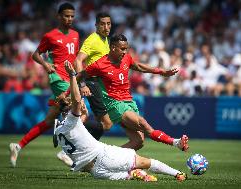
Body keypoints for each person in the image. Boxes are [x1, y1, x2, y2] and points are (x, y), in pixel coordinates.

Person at [56, 60, 187, 181]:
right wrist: (72, 76)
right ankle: (177, 166)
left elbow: (79, 118)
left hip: (96, 171)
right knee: (143, 158)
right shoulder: (72, 120)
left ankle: (136, 172)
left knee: (138, 143)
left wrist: (79, 108)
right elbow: (78, 100)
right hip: (104, 153)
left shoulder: (60, 129)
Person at [83, 34, 189, 151]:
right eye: (122, 49)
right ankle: (175, 142)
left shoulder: (126, 58)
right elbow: (80, 75)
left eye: (126, 48)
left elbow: (138, 66)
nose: (125, 51)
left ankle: (104, 158)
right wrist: (81, 87)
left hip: (129, 102)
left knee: (138, 142)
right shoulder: (100, 64)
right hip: (115, 104)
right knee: (143, 123)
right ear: (113, 47)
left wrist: (160, 71)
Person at [9, 2, 78, 168]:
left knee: (48, 120)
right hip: (57, 78)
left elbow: (74, 59)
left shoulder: (75, 35)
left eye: (72, 16)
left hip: (69, 78)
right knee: (78, 109)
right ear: (59, 16)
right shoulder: (51, 36)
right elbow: (36, 54)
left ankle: (17, 146)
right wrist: (46, 65)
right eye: (66, 16)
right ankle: (64, 145)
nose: (69, 19)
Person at [73, 12, 113, 141]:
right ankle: (67, 126)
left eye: (108, 24)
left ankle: (82, 151)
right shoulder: (92, 39)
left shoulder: (105, 39)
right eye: (102, 24)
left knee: (97, 123)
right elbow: (78, 61)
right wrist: (83, 84)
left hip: (100, 84)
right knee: (107, 124)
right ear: (96, 25)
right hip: (92, 82)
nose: (106, 27)